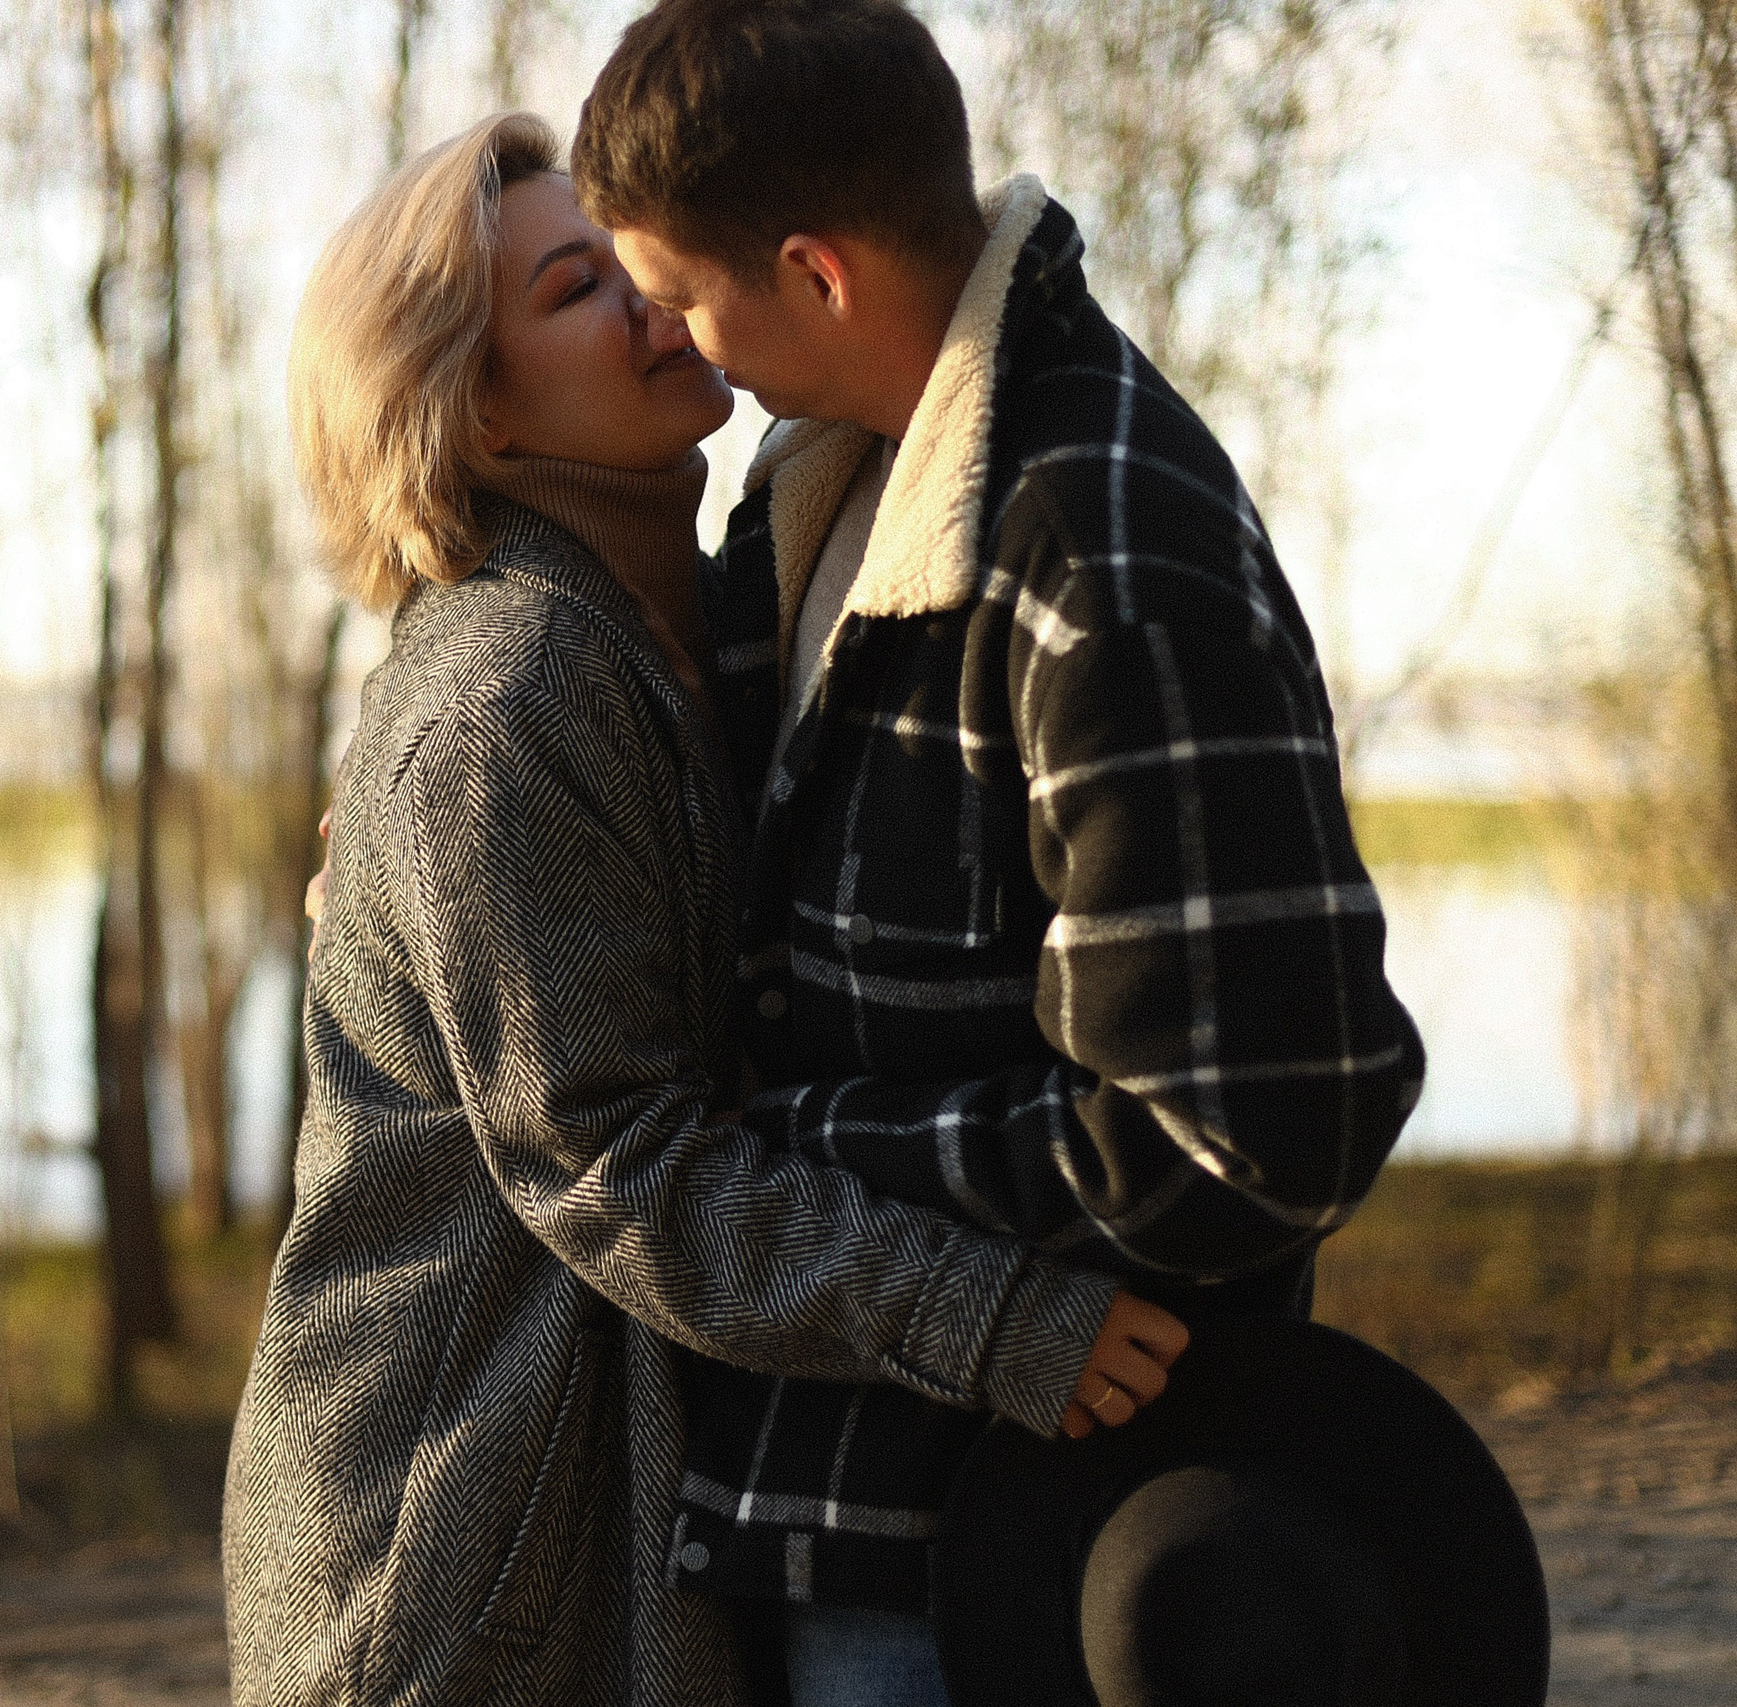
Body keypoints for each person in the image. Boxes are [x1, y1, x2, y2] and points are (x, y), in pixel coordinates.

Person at [224, 112, 1186, 1707]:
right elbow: (618, 1165)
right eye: (575, 287)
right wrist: (996, 1320)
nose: (655, 300)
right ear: (474, 408)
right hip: (454, 1548)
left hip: (601, 1496)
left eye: (626, 260)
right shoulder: (500, 708)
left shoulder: (688, 624)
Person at [566, 0, 1426, 1699]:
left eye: (676, 295)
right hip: (857, 1500)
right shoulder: (832, 494)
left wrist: (808, 1143)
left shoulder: (1101, 535)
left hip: (1019, 1540)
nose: (676, 345)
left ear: (813, 274)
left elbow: (1262, 1120)